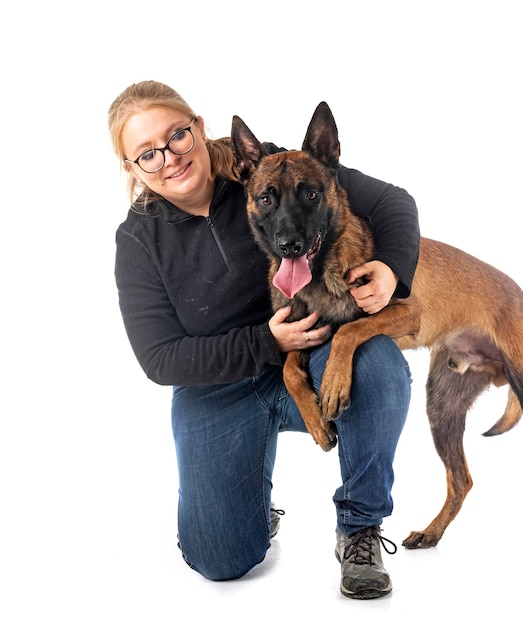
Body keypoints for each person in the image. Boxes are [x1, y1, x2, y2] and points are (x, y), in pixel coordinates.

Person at [109, 80, 420, 600]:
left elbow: (393, 202)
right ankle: (250, 504)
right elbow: (159, 359)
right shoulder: (139, 240)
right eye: (147, 153)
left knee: (379, 368)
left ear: (199, 128)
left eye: (177, 136)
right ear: (132, 168)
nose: (169, 157)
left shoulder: (275, 167)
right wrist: (265, 344)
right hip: (218, 385)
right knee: (221, 559)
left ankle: (360, 526)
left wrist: (391, 269)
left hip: (313, 350)